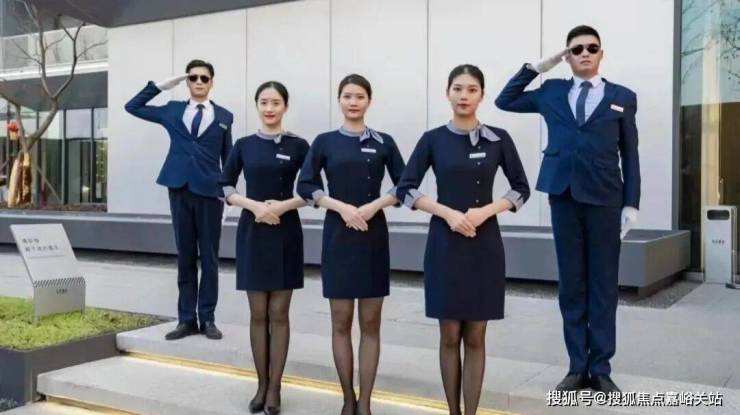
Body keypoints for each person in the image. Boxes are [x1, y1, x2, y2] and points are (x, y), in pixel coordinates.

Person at [495, 25, 641, 393]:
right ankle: (577, 366)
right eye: (577, 49)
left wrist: (631, 203)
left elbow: (630, 154)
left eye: (592, 47)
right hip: (563, 196)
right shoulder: (552, 91)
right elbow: (504, 100)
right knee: (572, 284)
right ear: (568, 56)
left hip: (606, 198)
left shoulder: (623, 97)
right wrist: (536, 68)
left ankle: (601, 368)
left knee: (604, 285)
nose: (585, 53)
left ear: (601, 53)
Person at [396, 64, 530, 415]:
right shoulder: (432, 139)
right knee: (449, 335)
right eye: (457, 88)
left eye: (471, 89)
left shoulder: (499, 139)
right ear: (448, 93)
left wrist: (486, 211)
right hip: (445, 243)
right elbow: (405, 188)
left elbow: (521, 188)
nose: (464, 95)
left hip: (485, 245)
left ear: (482, 95)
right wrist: (448, 213)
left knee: (475, 336)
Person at [296, 74, 405, 415]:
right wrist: (341, 207)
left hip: (373, 235)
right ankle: (347, 398)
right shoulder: (325, 141)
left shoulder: (384, 142)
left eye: (359, 96)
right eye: (347, 96)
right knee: (340, 320)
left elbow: (405, 185)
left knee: (370, 323)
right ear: (339, 100)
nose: (353, 102)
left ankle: (366, 402)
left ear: (369, 101)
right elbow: (305, 184)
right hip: (338, 234)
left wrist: (374, 206)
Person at [125, 59, 233, 341]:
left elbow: (229, 158)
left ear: (211, 82)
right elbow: (132, 107)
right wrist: (160, 86)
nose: (199, 82)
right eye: (193, 77)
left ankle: (207, 319)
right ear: (187, 82)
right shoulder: (172, 110)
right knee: (185, 255)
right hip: (179, 187)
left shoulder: (224, 116)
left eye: (204, 78)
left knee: (209, 258)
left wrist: (229, 193)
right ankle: (186, 320)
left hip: (210, 192)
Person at [220, 81, 308, 415]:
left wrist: (283, 206)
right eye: (264, 102)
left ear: (285, 106)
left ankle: (275, 388)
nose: (269, 108)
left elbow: (313, 188)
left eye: (276, 102)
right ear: (257, 105)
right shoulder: (243, 145)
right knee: (258, 313)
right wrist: (254, 205)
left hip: (286, 231)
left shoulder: (299, 145)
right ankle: (260, 384)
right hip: (253, 231)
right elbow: (224, 185)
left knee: (279, 313)